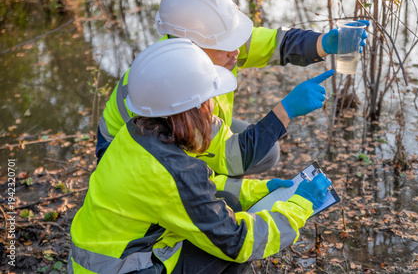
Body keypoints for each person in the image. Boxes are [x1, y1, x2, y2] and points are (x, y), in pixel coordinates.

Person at [69, 39, 333, 273]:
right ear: (190, 109)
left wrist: (258, 191)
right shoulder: (172, 170)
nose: (212, 108)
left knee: (228, 200)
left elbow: (185, 192)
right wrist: (300, 205)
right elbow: (238, 241)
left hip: (94, 262)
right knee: (230, 252)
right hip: (123, 268)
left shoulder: (137, 131)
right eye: (209, 100)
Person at [96, 0, 369, 176]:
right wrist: (285, 110)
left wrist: (325, 42)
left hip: (193, 131)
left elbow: (277, 43)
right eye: (228, 44)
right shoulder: (173, 92)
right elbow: (235, 156)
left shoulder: (217, 45)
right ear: (196, 47)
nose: (238, 50)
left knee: (266, 150)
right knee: (215, 185)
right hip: (124, 155)